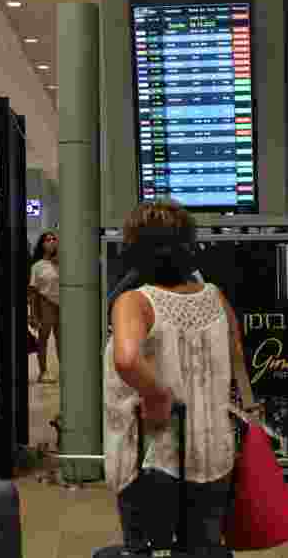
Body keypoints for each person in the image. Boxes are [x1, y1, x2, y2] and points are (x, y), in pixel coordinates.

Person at [103, 200, 242, 551]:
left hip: (154, 459)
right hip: (214, 453)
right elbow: (236, 357)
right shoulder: (216, 297)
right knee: (204, 546)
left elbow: (126, 359)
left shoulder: (134, 302)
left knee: (152, 548)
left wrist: (158, 395)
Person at [29, 231, 60, 383]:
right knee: (44, 339)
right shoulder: (37, 266)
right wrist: (33, 314)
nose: (52, 242)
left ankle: (65, 370)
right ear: (42, 244)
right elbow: (33, 293)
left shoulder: (62, 264)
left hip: (62, 305)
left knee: (62, 340)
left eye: (54, 239)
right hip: (45, 303)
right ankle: (43, 371)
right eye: (48, 240)